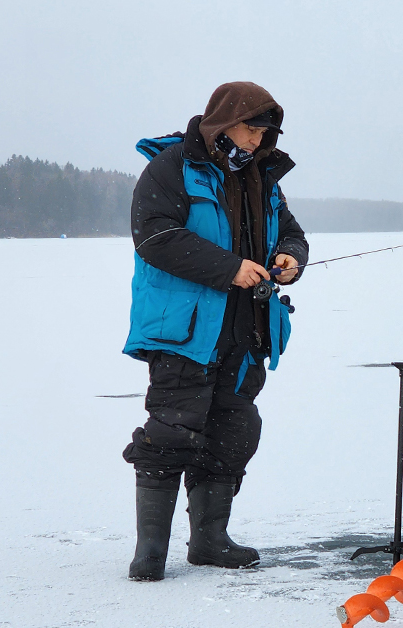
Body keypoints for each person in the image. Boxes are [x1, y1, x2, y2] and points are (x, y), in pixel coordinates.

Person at [122, 81, 309, 581]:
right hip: (184, 331)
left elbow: (291, 230)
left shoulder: (264, 176)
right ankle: (149, 554)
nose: (256, 140)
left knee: (233, 429)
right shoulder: (171, 167)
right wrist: (228, 267)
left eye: (264, 132)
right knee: (170, 432)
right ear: (222, 120)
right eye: (251, 128)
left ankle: (209, 541)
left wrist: (291, 258)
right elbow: (156, 237)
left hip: (247, 329)